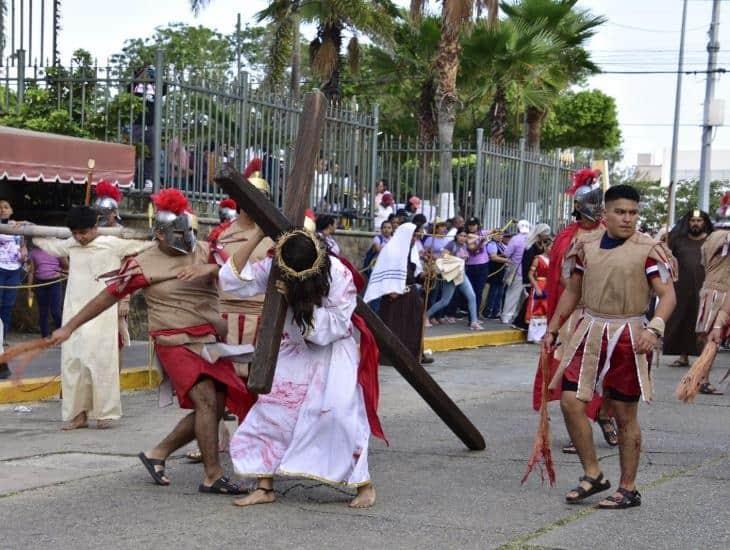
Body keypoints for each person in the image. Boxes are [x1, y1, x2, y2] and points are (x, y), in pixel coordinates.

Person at [51, 189, 250, 494]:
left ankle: (157, 453)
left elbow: (245, 274)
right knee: (207, 400)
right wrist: (70, 327)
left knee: (213, 405)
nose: (185, 237)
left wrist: (214, 266)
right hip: (174, 342)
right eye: (177, 231)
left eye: (189, 230)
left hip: (210, 341)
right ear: (159, 234)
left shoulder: (208, 252)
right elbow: (107, 297)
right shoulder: (143, 263)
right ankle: (213, 474)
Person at [219, 228, 384, 508]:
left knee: (340, 417)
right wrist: (258, 236)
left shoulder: (338, 275)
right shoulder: (277, 265)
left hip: (332, 355)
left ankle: (363, 484)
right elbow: (231, 281)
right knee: (271, 413)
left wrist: (294, 300)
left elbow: (335, 325)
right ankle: (265, 486)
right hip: (291, 351)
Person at [544, 184, 676, 509]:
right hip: (589, 331)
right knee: (570, 402)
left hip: (629, 335)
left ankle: (628, 488)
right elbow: (572, 291)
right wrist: (553, 328)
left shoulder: (648, 249)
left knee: (623, 414)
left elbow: (667, 295)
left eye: (633, 212)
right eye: (620, 212)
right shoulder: (585, 246)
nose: (628, 219)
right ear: (605, 214)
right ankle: (593, 474)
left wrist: (655, 329)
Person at [35, 206, 153, 430]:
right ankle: (77, 415)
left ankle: (105, 414)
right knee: (73, 362)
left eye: (84, 232)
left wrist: (158, 234)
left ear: (95, 228)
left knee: (101, 361)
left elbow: (145, 245)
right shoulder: (70, 244)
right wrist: (29, 229)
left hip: (102, 311)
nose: (80, 237)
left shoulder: (113, 244)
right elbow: (49, 245)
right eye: (76, 233)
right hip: (73, 311)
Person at [532, 168, 617, 454]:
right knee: (575, 373)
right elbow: (562, 277)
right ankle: (579, 428)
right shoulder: (567, 236)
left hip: (607, 313)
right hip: (575, 316)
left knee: (608, 373)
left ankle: (604, 414)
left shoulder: (611, 233)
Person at [364, 223, 427, 363]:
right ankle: (392, 358)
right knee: (395, 326)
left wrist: (426, 275)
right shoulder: (391, 250)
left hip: (410, 295)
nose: (414, 239)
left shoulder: (410, 250)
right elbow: (384, 272)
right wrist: (392, 289)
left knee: (413, 325)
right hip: (395, 296)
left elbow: (414, 273)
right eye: (412, 236)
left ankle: (413, 356)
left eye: (415, 237)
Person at [664, 210, 713, 367]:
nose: (696, 223)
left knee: (702, 325)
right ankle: (683, 356)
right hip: (682, 289)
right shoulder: (678, 241)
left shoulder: (712, 241)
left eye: (699, 220)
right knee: (683, 321)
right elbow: (666, 257)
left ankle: (704, 361)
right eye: (693, 220)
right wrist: (664, 243)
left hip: (704, 288)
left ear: (704, 222)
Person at [693, 193, 730, 395]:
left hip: (710, 289)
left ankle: (701, 377)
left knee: (708, 335)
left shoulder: (709, 238)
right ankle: (702, 379)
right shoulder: (722, 238)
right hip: (721, 292)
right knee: (714, 336)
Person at [426, 228, 483, 330]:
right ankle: (425, 316)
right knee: (445, 301)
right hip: (452, 274)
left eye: (465, 236)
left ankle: (474, 322)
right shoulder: (451, 244)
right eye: (461, 235)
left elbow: (474, 246)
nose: (463, 238)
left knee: (472, 296)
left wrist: (481, 240)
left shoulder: (465, 245)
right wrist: (456, 260)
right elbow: (443, 256)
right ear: (456, 236)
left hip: (461, 274)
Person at [0, 199, 27, 341]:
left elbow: (23, 245)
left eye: (6, 207)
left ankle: (2, 339)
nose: (3, 210)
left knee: (8, 306)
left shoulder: (17, 226)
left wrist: (24, 253)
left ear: (11, 211)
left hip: (14, 270)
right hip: (0, 269)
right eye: (0, 208)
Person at [28, 243, 66, 338]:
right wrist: (29, 289)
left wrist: (63, 256)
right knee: (43, 311)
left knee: (55, 311)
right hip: (40, 283)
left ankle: (61, 333)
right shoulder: (34, 252)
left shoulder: (55, 250)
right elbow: (31, 272)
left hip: (54, 282)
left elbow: (66, 266)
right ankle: (44, 336)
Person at [500, 219, 530, 324]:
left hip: (517, 271)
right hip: (529, 272)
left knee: (512, 294)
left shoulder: (515, 239)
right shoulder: (532, 239)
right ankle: (518, 315)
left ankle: (506, 316)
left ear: (518, 228)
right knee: (524, 296)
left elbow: (507, 254)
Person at [525, 237, 552, 343]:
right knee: (538, 310)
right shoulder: (538, 259)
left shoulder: (553, 260)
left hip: (549, 286)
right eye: (550, 247)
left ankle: (542, 335)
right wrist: (536, 287)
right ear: (545, 247)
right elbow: (530, 274)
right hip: (540, 285)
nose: (552, 249)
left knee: (546, 310)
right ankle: (534, 336)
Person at [465, 218, 490, 318]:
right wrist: (480, 241)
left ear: (478, 225)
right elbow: (472, 249)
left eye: (474, 224)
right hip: (470, 266)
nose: (472, 226)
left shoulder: (482, 232)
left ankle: (475, 315)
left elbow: (494, 231)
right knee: (471, 291)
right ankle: (471, 315)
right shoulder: (466, 236)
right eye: (470, 224)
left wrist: (496, 231)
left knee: (479, 291)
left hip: (483, 265)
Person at [484, 231, 508, 319]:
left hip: (501, 271)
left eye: (501, 234)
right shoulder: (492, 244)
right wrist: (508, 261)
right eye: (498, 234)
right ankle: (488, 311)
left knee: (499, 292)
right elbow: (493, 257)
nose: (501, 236)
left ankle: (496, 311)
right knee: (493, 291)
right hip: (494, 270)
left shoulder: (501, 245)